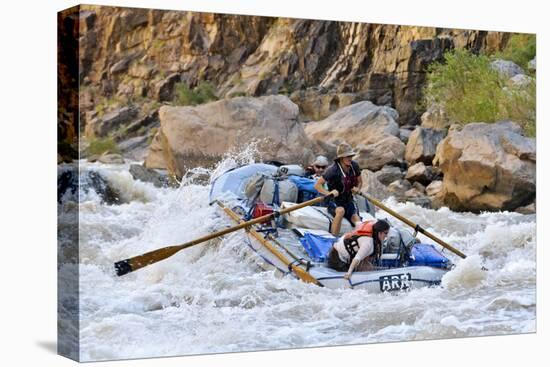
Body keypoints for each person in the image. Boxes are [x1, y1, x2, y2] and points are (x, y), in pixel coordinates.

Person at [314, 143, 363, 236]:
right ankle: (333, 238)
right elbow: (317, 185)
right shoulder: (332, 170)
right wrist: (329, 193)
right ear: (341, 158)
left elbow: (360, 182)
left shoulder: (354, 166)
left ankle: (359, 240)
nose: (350, 158)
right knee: (340, 211)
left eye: (351, 156)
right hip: (334, 200)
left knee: (357, 220)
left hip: (348, 200)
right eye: (347, 156)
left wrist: (357, 188)